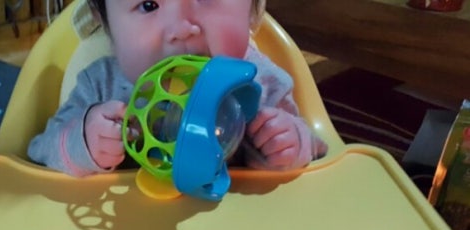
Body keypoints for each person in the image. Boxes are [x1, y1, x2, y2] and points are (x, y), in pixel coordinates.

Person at [28, 0, 327, 177]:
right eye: (148, 5)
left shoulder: (264, 82)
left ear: (252, 9)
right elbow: (40, 150)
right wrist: (81, 141)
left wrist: (291, 143)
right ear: (106, 26)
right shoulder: (100, 85)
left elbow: (318, 150)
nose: (182, 29)